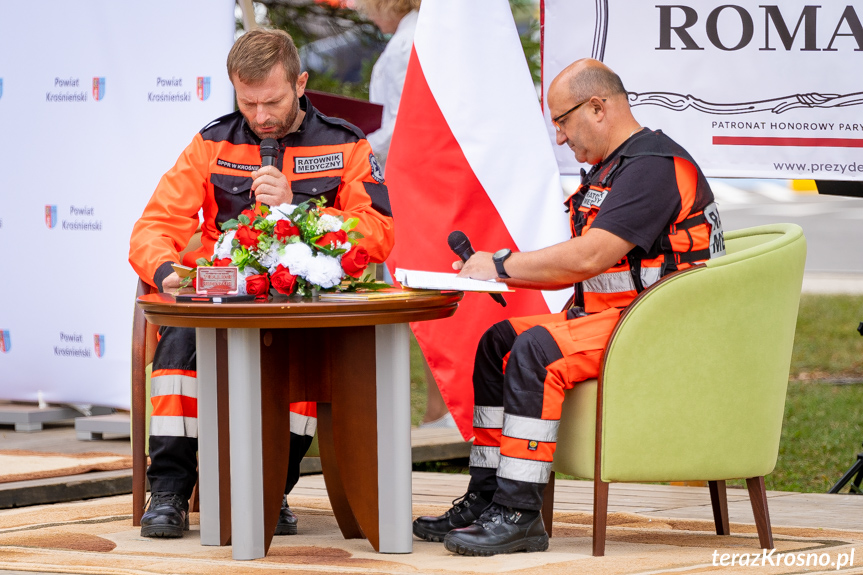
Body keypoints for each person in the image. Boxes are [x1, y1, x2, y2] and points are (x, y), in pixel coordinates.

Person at [411, 58, 725, 556]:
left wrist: (501, 265)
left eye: (562, 120)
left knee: (537, 348)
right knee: (499, 342)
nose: (559, 137)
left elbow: (590, 256)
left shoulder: (653, 168)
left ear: (598, 107)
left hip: (655, 327)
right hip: (619, 321)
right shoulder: (619, 166)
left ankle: (519, 514)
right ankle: (487, 496)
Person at [129, 28, 395, 538]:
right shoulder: (213, 142)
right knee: (180, 341)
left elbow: (378, 234)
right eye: (248, 103)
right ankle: (169, 492)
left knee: (297, 360)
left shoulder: (346, 144)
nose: (262, 117)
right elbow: (153, 228)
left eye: (272, 101)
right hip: (221, 305)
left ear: (300, 83)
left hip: (301, 307)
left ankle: (272, 489)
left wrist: (295, 207)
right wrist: (169, 276)